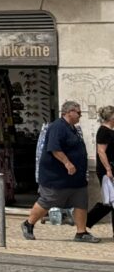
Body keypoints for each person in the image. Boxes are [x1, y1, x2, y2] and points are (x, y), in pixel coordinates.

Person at [21, 100, 100, 243]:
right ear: (68, 112)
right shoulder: (57, 127)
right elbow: (54, 148)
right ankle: (28, 223)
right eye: (78, 112)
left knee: (81, 201)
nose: (80, 115)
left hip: (75, 177)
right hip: (56, 176)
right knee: (48, 200)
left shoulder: (72, 128)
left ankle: (81, 233)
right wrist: (67, 163)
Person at [86, 105, 114, 233]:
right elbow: (101, 151)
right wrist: (108, 169)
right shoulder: (103, 131)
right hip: (107, 171)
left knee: (110, 202)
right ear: (111, 117)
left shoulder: (110, 131)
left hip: (110, 170)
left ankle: (87, 220)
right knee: (110, 201)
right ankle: (86, 220)